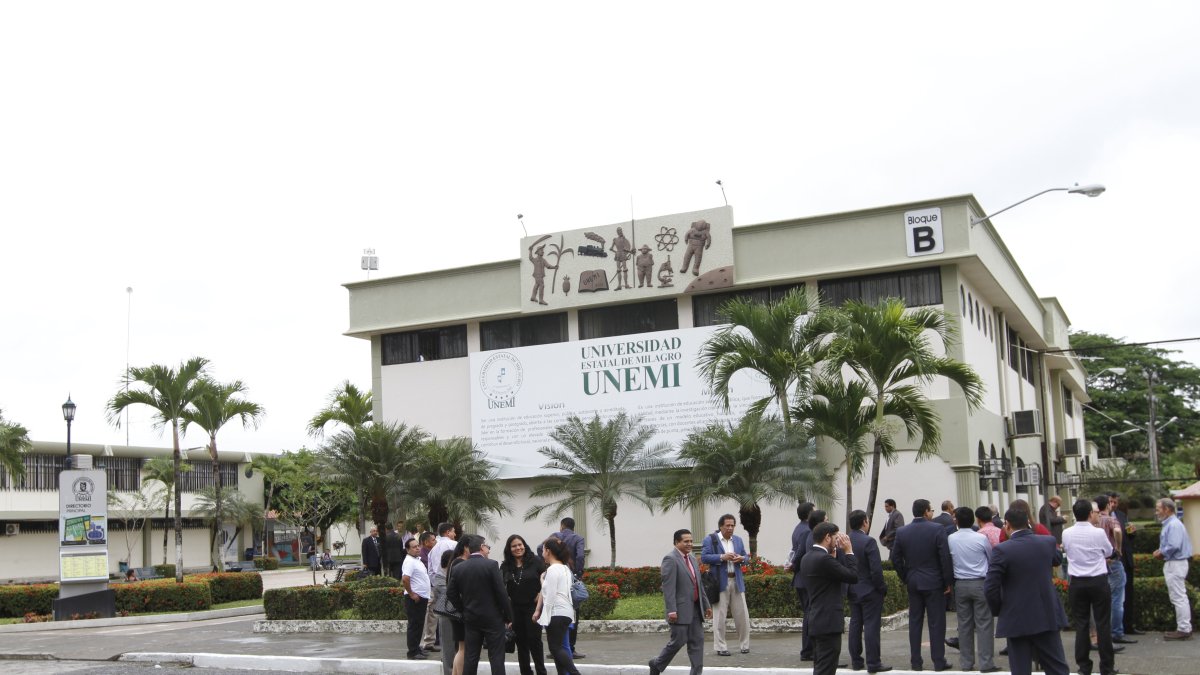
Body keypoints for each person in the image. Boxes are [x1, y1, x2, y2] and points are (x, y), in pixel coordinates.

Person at [985, 507, 1070, 675]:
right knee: (1056, 666)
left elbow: (991, 586)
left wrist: (999, 609)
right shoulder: (1047, 542)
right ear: (1028, 523)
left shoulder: (1002, 550)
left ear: (1007, 525)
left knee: (1020, 668)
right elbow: (1057, 559)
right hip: (1046, 613)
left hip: (1016, 615)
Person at [891, 498, 952, 672]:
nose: (932, 513)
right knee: (936, 622)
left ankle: (916, 662)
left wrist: (906, 576)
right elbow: (944, 557)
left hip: (914, 581)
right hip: (934, 582)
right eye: (931, 510)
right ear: (926, 511)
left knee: (915, 622)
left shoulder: (902, 532)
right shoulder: (937, 529)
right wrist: (947, 581)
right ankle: (938, 661)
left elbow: (895, 559)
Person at [1061, 498, 1115, 675]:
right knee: (1103, 624)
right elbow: (1108, 551)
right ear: (1090, 514)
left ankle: (1084, 667)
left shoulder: (1066, 533)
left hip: (1077, 582)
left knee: (1081, 625)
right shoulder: (1098, 533)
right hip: (1098, 580)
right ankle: (1106, 667)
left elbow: (1067, 551)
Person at [446, 534, 512, 675]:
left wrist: (462, 609)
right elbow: (502, 594)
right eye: (487, 547)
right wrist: (509, 616)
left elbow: (450, 594)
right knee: (496, 658)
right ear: (481, 547)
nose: (488, 550)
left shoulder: (459, 568)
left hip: (471, 618)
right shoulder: (492, 565)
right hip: (493, 618)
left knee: (471, 657)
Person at [649, 529, 712, 675]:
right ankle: (657, 664)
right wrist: (672, 610)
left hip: (696, 609)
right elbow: (668, 587)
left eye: (691, 541)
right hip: (679, 610)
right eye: (686, 541)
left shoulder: (692, 559)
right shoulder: (670, 559)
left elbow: (699, 584)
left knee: (697, 644)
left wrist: (706, 604)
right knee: (678, 642)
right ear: (677, 542)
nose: (690, 544)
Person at [801, 521, 858, 675]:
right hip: (828, 623)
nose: (838, 541)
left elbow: (828, 578)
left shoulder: (807, 557)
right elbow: (853, 576)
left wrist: (832, 557)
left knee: (820, 667)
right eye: (835, 537)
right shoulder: (824, 560)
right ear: (827, 537)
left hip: (816, 621)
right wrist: (849, 551)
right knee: (826, 669)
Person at [947, 506, 996, 673]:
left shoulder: (951, 538)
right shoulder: (980, 538)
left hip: (960, 584)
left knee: (964, 624)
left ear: (957, 521)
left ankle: (966, 663)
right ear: (973, 520)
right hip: (980, 583)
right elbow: (990, 559)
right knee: (984, 624)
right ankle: (986, 663)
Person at [700, 514, 750, 656]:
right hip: (720, 583)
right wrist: (722, 557)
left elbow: (746, 557)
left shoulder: (738, 540)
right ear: (720, 526)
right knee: (719, 617)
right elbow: (704, 557)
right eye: (727, 525)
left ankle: (744, 645)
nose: (730, 528)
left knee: (743, 616)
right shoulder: (711, 539)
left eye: (732, 525)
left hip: (737, 581)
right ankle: (721, 647)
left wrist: (742, 559)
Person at [847, 509, 890, 674]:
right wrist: (881, 588)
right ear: (865, 522)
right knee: (871, 626)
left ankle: (856, 662)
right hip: (870, 591)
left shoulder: (845, 540)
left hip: (852, 589)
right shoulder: (869, 542)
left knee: (855, 624)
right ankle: (873, 663)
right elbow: (876, 571)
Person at [538, 517, 586, 658]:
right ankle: (570, 648)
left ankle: (557, 647)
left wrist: (547, 562)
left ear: (561, 526)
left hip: (554, 573)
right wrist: (577, 572)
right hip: (571, 575)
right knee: (573, 612)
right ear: (573, 527)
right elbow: (581, 556)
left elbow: (539, 547)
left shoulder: (555, 537)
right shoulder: (578, 538)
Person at [501, 534, 548, 675]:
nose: (518, 548)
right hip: (515, 609)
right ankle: (525, 672)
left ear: (524, 545)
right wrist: (506, 617)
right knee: (521, 643)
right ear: (509, 549)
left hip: (533, 608)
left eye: (520, 545)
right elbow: (501, 589)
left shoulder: (535, 561)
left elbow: (547, 578)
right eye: (514, 546)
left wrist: (541, 593)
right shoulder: (505, 566)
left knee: (534, 641)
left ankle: (541, 671)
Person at [534, 537, 581, 675]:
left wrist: (542, 581)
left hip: (557, 613)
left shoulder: (553, 569)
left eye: (543, 550)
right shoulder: (565, 568)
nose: (542, 553)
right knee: (558, 648)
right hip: (566, 612)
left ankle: (574, 672)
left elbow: (550, 594)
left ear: (548, 551)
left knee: (555, 648)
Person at [1154, 497, 1193, 640]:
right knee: (1178, 596)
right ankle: (1183, 628)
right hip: (1175, 563)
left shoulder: (1173, 525)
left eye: (1158, 509)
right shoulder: (1172, 523)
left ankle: (1184, 629)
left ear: (1167, 509)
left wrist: (1161, 553)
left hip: (1175, 563)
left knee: (1178, 597)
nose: (1156, 512)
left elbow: (1174, 545)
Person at [1095, 494, 1131, 648]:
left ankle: (1103, 632)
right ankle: (1116, 632)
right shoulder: (1110, 519)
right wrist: (1118, 547)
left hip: (1099, 563)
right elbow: (1117, 531)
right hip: (1113, 561)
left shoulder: (1093, 521)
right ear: (1108, 505)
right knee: (1117, 599)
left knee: (1105, 599)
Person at [792, 508, 826, 661]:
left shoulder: (805, 532)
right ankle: (808, 651)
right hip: (807, 581)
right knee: (810, 615)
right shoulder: (808, 533)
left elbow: (797, 557)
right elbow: (799, 556)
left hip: (803, 579)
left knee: (810, 614)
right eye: (826, 520)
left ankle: (809, 650)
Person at [425, 523, 459, 653]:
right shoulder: (454, 545)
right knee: (451, 615)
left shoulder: (433, 548)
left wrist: (435, 584)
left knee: (438, 615)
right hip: (449, 582)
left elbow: (430, 570)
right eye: (453, 531)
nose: (454, 534)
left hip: (437, 583)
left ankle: (436, 643)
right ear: (447, 532)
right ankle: (452, 645)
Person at [402, 537, 433, 660]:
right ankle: (412, 652)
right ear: (407, 549)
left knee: (419, 624)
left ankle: (417, 647)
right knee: (414, 624)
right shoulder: (409, 561)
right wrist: (412, 594)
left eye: (418, 546)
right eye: (414, 547)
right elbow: (405, 579)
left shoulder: (417, 560)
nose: (417, 548)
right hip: (415, 598)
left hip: (422, 597)